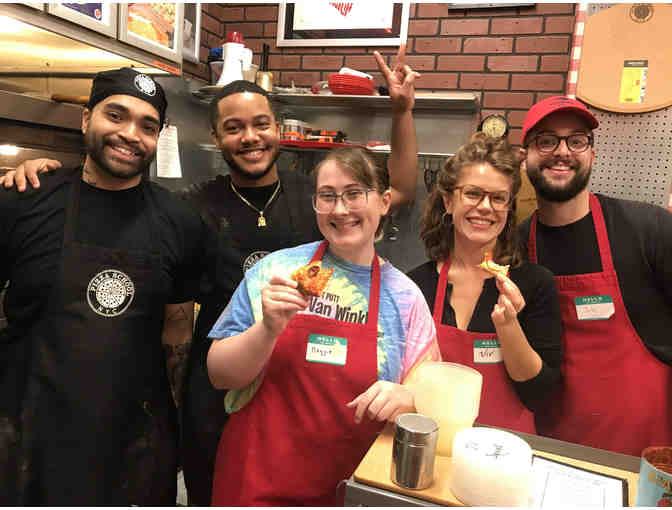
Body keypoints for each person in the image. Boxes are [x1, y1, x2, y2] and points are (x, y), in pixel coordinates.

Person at [3, 45, 422, 505]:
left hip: (292, 385)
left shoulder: (317, 198)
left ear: (277, 129)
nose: (250, 137)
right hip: (215, 378)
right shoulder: (193, 208)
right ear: (216, 137)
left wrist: (402, 111)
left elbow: (397, 189)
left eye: (261, 124)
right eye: (233, 127)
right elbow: (179, 319)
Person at [0, 68, 208, 505]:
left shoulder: (181, 222)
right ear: (85, 119)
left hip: (133, 444)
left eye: (147, 126)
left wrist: (172, 428)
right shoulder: (24, 198)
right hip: (27, 435)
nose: (130, 134)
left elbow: (177, 329)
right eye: (116, 115)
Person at [206, 146, 440, 506]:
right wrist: (266, 330)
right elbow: (219, 375)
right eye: (327, 196)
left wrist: (409, 401)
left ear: (384, 202)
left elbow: (433, 407)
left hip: (352, 490)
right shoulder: (276, 273)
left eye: (354, 193)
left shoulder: (405, 299)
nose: (340, 209)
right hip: (256, 482)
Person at [518, 95, 672, 455]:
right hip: (553, 451)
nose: (562, 152)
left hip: (648, 456)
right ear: (526, 156)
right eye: (546, 141)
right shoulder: (516, 248)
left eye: (576, 140)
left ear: (592, 153)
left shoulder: (648, 229)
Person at [407, 133, 562, 434]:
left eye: (498, 198)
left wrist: (509, 325)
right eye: (473, 193)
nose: (485, 207)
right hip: (431, 443)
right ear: (448, 201)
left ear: (508, 207)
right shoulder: (417, 285)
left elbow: (539, 394)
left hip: (501, 449)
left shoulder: (535, 283)